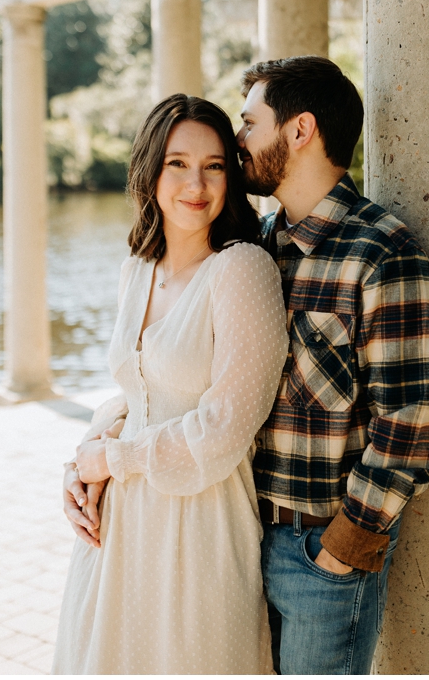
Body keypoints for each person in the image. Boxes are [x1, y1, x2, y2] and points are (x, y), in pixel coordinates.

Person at [52, 94, 288, 674]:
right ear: (150, 169)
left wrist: (112, 458)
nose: (197, 183)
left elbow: (225, 427)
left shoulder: (241, 269)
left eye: (214, 165)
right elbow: (136, 394)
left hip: (199, 525)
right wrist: (81, 463)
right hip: (120, 532)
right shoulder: (137, 268)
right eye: (178, 163)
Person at [237, 56, 429, 674]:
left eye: (249, 123)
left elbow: (412, 425)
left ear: (299, 130)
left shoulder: (383, 255)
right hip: (235, 538)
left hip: (318, 558)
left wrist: (341, 549)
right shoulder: (255, 248)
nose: (239, 141)